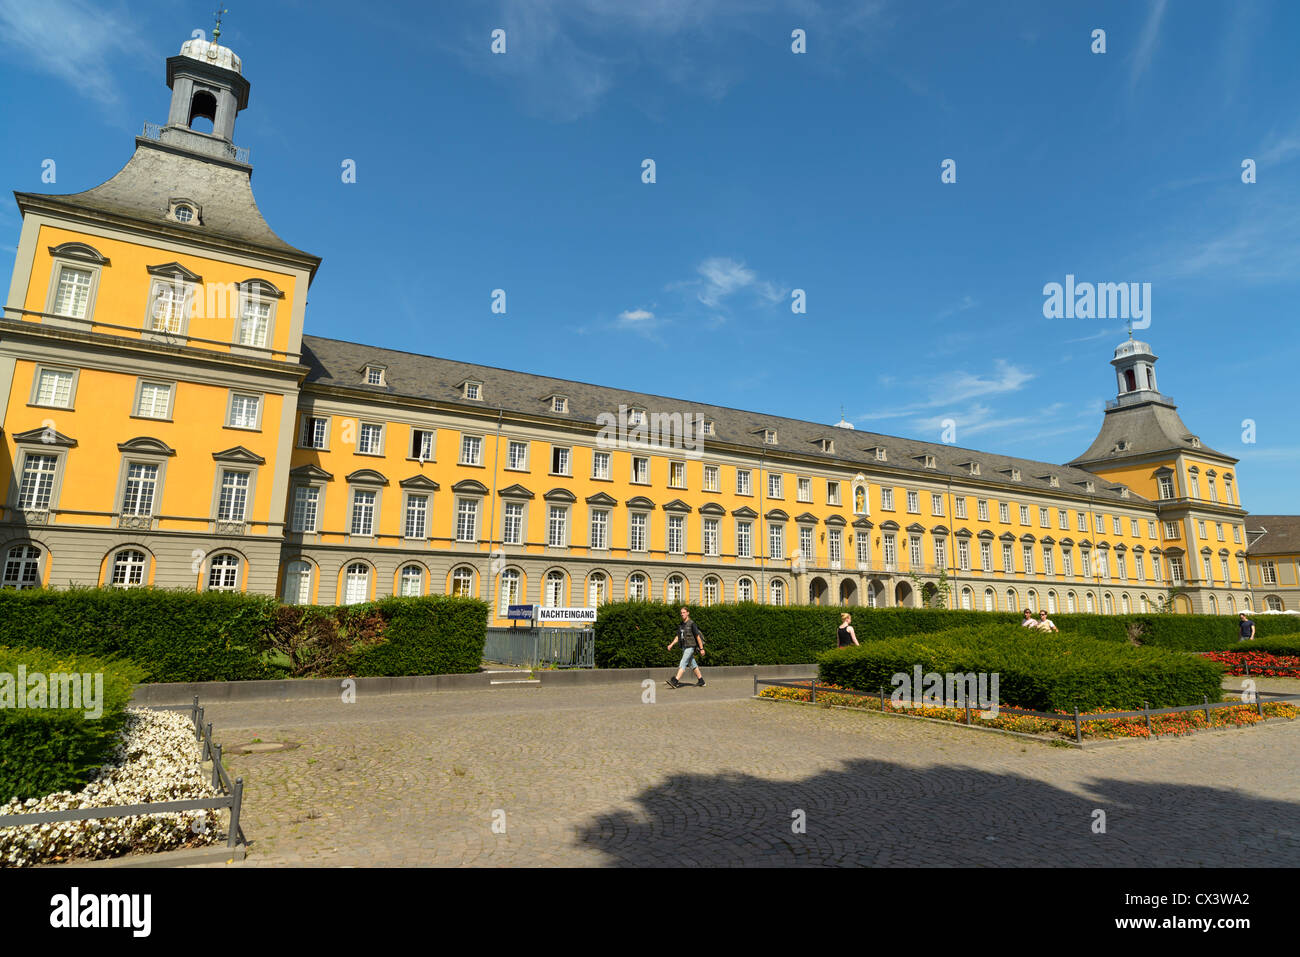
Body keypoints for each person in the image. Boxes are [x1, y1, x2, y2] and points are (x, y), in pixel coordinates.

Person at [666, 606, 705, 688]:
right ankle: (701, 680)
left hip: (690, 647)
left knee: (683, 662)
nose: (682, 614)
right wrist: (671, 644)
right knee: (692, 664)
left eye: (684, 612)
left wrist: (701, 649)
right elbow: (678, 637)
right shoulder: (681, 625)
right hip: (684, 647)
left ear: (688, 613)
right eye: (681, 613)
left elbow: (697, 637)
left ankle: (675, 681)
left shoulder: (692, 624)